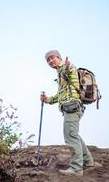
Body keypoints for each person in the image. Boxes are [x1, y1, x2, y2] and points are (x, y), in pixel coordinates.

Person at [40, 49, 97, 177]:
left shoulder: (67, 67)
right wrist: (48, 99)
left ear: (59, 57)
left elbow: (72, 73)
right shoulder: (60, 73)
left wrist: (67, 67)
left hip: (72, 107)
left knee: (70, 135)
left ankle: (76, 169)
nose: (50, 61)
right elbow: (61, 95)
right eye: (47, 60)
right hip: (72, 107)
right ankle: (88, 161)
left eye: (52, 58)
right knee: (73, 134)